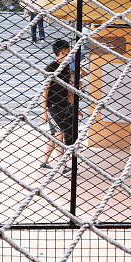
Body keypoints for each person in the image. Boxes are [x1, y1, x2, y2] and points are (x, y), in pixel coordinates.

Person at [41, 39, 78, 174]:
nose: (69, 55)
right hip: (52, 106)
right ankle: (63, 167)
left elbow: (69, 91)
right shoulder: (50, 68)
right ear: (61, 53)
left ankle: (44, 163)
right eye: (68, 52)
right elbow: (45, 91)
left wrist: (74, 108)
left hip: (64, 106)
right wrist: (44, 111)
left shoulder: (67, 68)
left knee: (54, 135)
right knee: (59, 134)